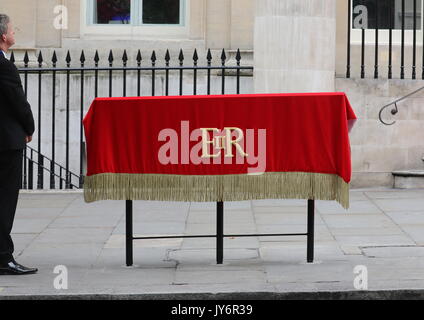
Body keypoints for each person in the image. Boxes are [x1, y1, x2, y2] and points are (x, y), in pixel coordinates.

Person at [0, 14, 37, 275]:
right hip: (6, 142)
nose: (16, 32)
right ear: (3, 36)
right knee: (5, 200)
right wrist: (29, 128)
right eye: (13, 29)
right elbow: (19, 103)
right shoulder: (5, 67)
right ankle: (4, 257)